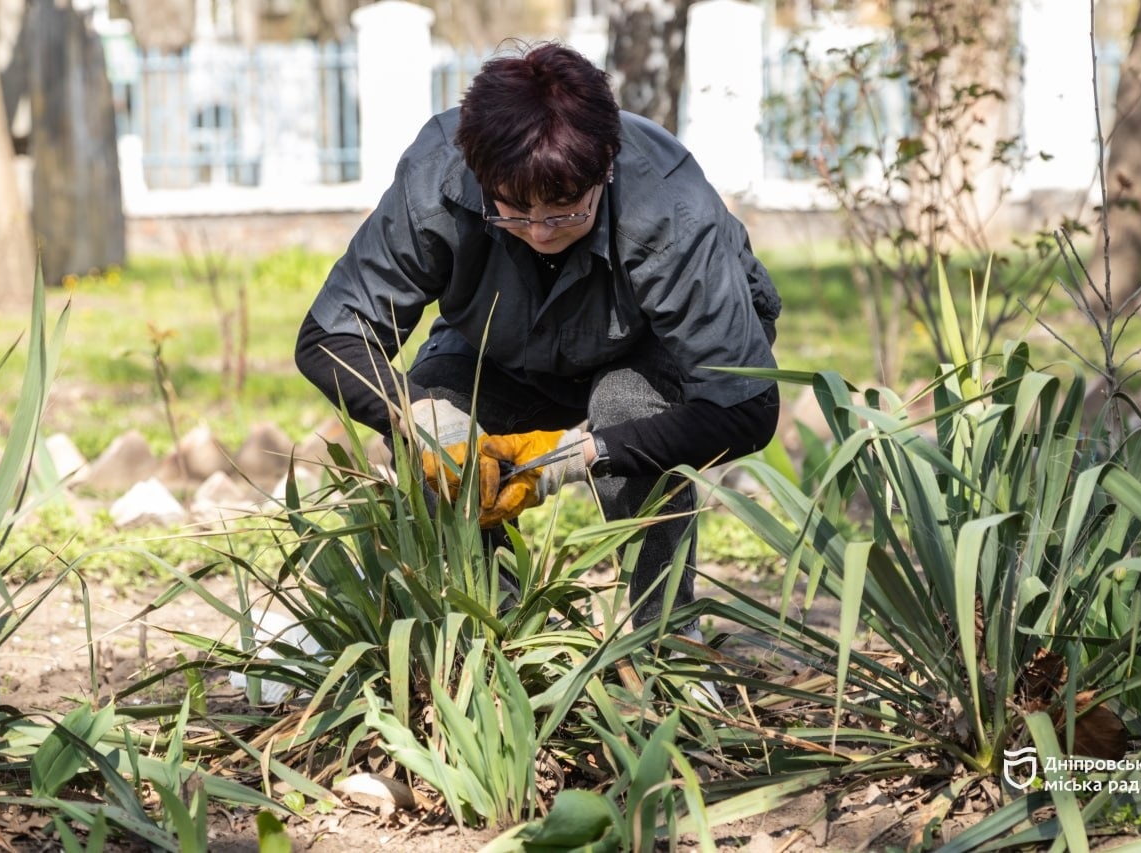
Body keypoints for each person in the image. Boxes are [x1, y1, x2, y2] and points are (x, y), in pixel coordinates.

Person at [295, 41, 781, 633]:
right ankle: (498, 635)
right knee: (444, 432)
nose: (540, 231)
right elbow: (329, 334)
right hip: (499, 344)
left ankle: (669, 642)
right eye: (512, 212)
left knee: (625, 406)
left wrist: (574, 459)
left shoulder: (673, 210)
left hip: (650, 347)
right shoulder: (440, 175)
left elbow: (747, 407)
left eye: (565, 210)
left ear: (605, 163)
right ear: (479, 174)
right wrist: (422, 415)